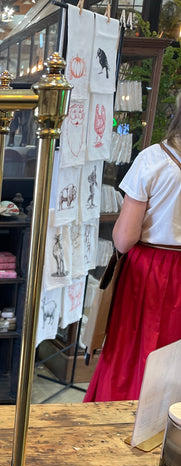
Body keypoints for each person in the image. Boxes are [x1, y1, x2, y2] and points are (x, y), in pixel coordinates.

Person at [84, 93, 181, 402]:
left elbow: (125, 238)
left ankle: (122, 419)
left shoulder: (155, 159)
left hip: (151, 268)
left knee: (135, 348)